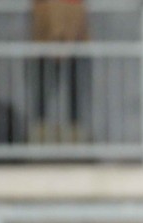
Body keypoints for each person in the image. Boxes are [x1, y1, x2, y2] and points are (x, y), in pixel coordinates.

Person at [31, 0, 91, 143]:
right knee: (43, 89)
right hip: (48, 43)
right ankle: (42, 133)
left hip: (72, 41)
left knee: (74, 90)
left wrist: (68, 42)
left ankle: (74, 134)